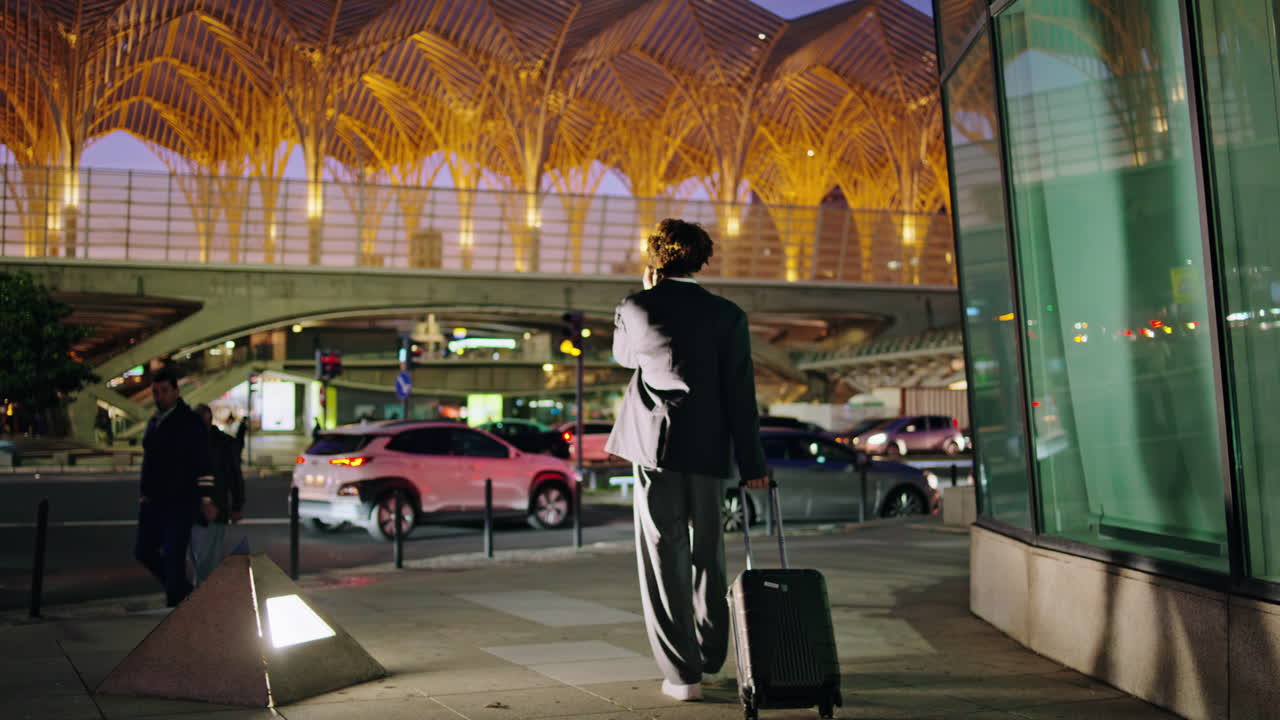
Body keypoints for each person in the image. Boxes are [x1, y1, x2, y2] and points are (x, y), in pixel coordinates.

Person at [604, 218, 769, 702]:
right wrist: (754, 465)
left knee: (663, 558)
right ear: (702, 259)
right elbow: (742, 395)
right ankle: (712, 654)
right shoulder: (729, 315)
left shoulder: (636, 306)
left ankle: (682, 675)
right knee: (708, 556)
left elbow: (624, 358)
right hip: (711, 451)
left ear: (655, 260)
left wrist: (645, 294)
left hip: (655, 452)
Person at [134, 367, 216, 607]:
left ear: (176, 391)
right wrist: (144, 494)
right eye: (156, 392)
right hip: (152, 501)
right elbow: (150, 462)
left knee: (173, 556)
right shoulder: (155, 421)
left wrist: (207, 499)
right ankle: (183, 592)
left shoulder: (189, 422)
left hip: (179, 501)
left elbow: (203, 462)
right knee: (143, 551)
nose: (159, 396)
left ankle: (177, 601)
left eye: (164, 391)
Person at [190, 404, 245, 584]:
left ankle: (203, 601)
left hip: (213, 509)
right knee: (202, 561)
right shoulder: (216, 442)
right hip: (198, 510)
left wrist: (237, 505)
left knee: (205, 562)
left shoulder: (223, 443)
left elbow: (235, 477)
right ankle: (202, 599)